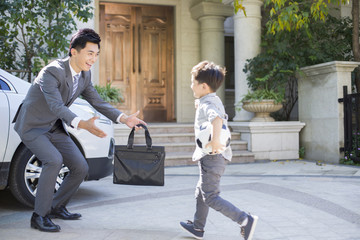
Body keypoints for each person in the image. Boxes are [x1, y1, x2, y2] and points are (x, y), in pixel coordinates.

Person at [13, 28, 146, 232]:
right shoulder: (52, 71)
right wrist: (82, 124)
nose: (93, 59)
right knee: (54, 160)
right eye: (89, 53)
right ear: (74, 51)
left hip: (54, 127)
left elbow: (97, 101)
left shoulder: (84, 74)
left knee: (80, 167)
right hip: (33, 126)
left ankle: (57, 206)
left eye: (96, 54)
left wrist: (124, 118)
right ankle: (39, 216)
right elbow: (56, 106)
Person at [179, 61, 258, 240]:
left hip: (212, 156)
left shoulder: (207, 104)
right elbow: (213, 113)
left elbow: (216, 120)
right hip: (212, 157)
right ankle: (198, 228)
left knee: (211, 197)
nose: (191, 85)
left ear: (203, 86)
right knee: (201, 191)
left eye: (193, 82)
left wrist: (214, 141)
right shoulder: (211, 99)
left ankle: (245, 220)